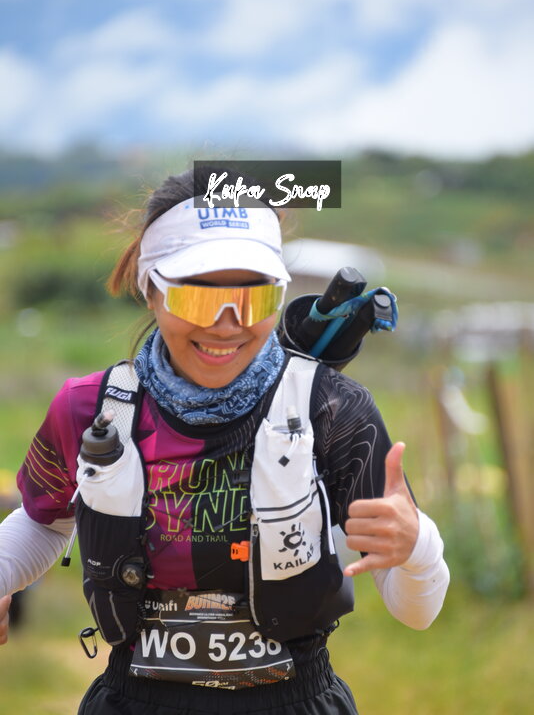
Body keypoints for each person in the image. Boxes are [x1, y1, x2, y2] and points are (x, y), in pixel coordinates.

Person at [0, 169, 449, 714]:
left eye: (254, 299)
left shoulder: (332, 411)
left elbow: (417, 611)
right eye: (197, 299)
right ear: (151, 290)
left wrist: (417, 546)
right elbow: (44, 520)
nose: (226, 325)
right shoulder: (93, 410)